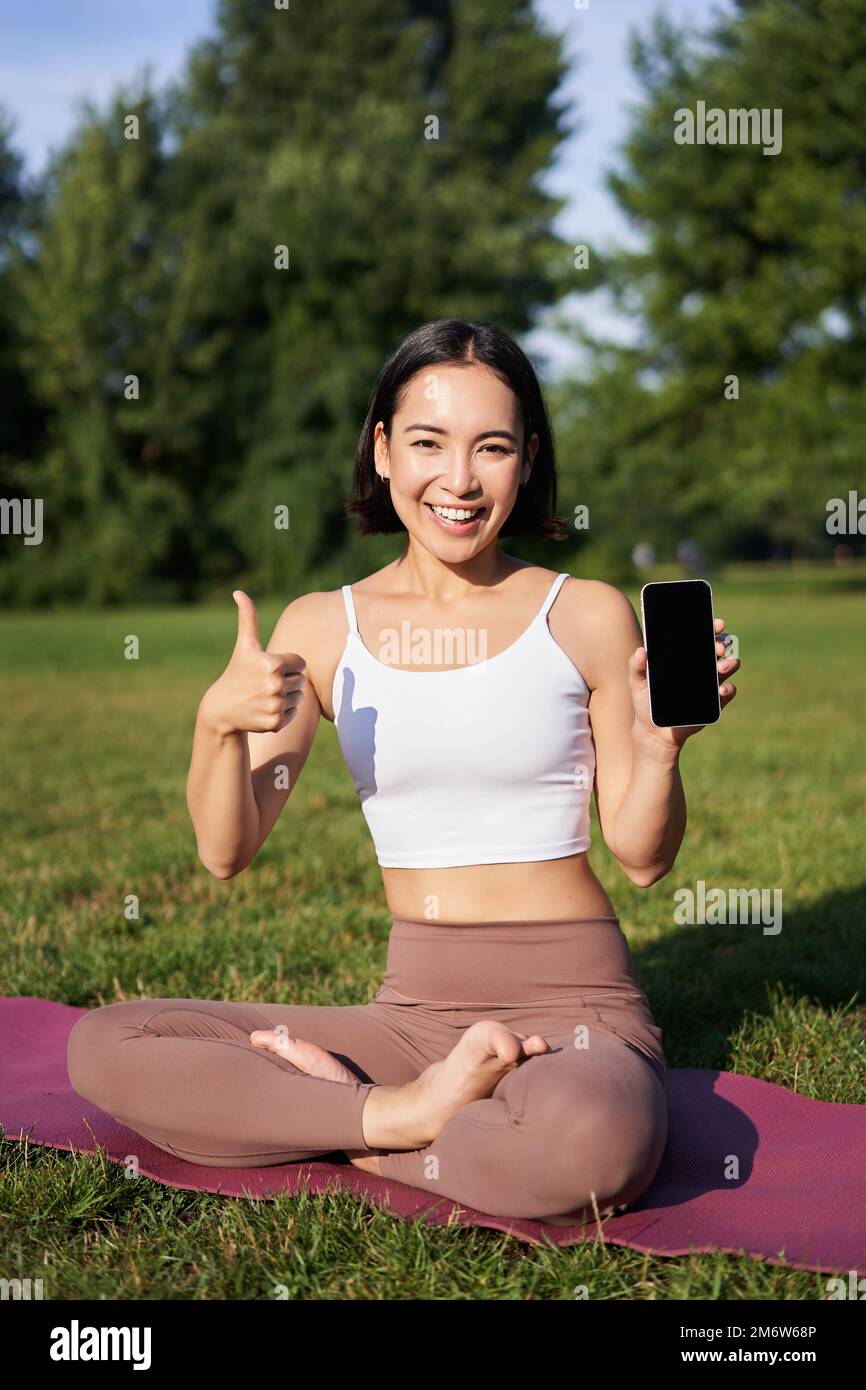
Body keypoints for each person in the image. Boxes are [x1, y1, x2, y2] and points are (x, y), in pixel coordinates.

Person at [67, 319, 740, 1223]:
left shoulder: (584, 613)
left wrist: (661, 751)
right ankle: (405, 1112)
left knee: (588, 1145)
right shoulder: (322, 625)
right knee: (107, 1042)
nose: (458, 481)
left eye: (492, 448)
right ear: (382, 451)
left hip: (575, 1010)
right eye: (427, 442)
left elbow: (644, 856)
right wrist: (215, 727)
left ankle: (360, 1134)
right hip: (411, 1018)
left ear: (527, 459)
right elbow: (227, 851)